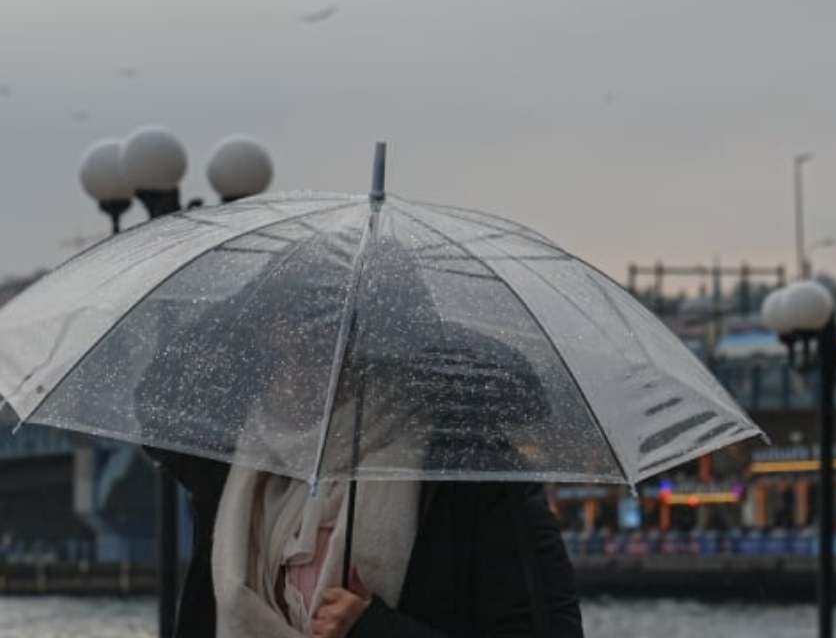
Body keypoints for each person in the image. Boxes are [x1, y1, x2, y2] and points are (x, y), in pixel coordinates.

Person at [139, 236, 585, 638]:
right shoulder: (235, 461)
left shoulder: (469, 472)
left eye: (318, 341)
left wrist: (373, 630)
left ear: (380, 349)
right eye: (274, 333)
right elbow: (157, 405)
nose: (290, 366)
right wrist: (257, 293)